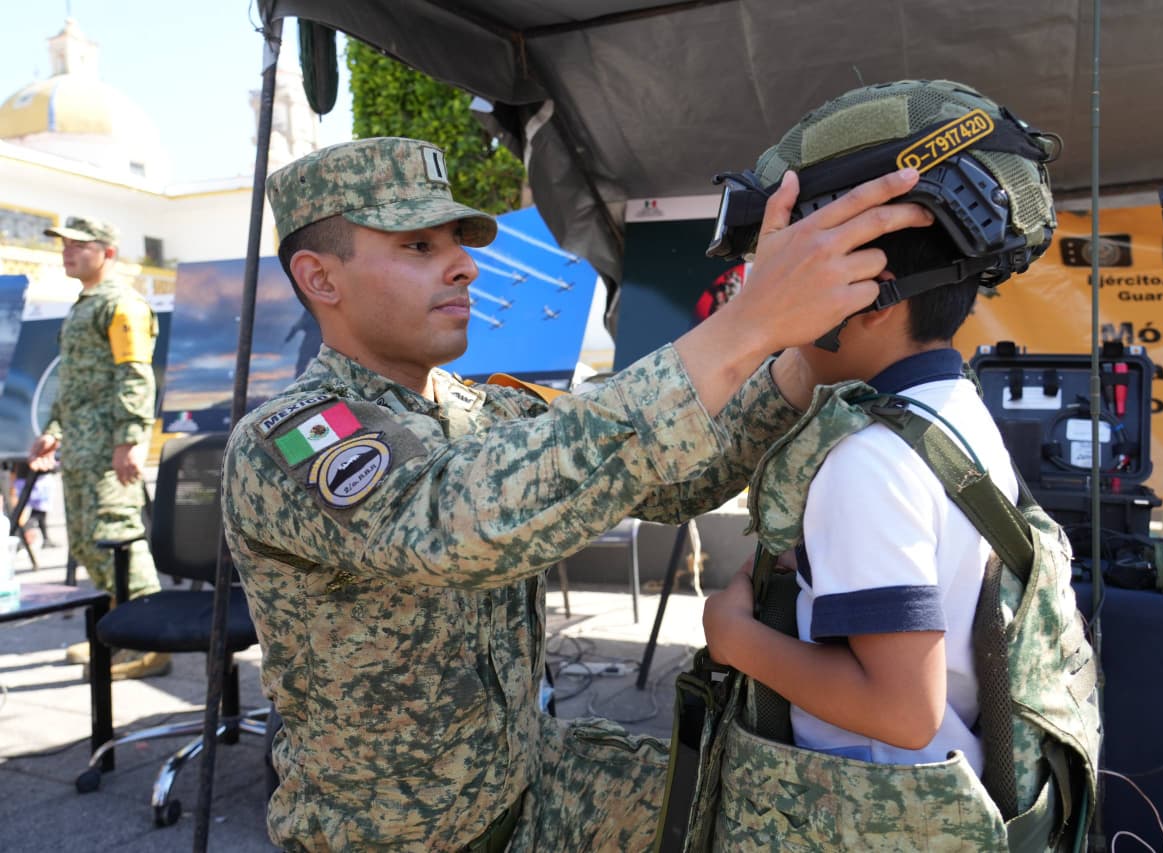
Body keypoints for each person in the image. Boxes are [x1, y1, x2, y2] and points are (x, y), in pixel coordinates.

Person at [221, 136, 934, 851]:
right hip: (396, 839)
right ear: (320, 278)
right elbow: (453, 528)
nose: (465, 265)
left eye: (457, 242)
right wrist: (748, 320)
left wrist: (805, 350)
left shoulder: (484, 409)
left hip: (529, 780)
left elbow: (676, 477)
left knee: (775, 813)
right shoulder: (289, 439)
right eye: (418, 246)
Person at [700, 79, 1096, 848]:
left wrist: (732, 635)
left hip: (866, 820)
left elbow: (901, 709)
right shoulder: (953, 409)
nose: (772, 300)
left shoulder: (866, 462)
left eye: (793, 273)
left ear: (867, 291)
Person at [29, 216, 168, 681]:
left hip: (110, 451)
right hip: (82, 450)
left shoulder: (121, 304)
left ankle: (150, 644)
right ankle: (120, 636)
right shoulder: (83, 306)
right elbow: (74, 383)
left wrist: (129, 439)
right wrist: (55, 429)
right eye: (64, 244)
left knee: (118, 539)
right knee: (90, 544)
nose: (67, 252)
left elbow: (134, 374)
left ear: (108, 251)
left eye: (78, 245)